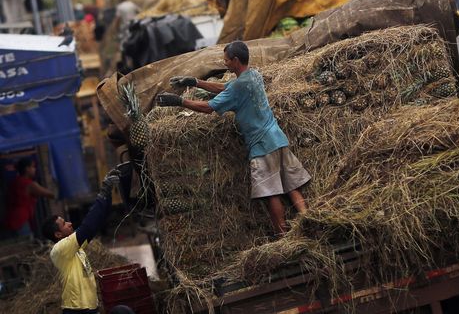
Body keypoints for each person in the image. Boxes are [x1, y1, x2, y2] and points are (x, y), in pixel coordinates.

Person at [157, 41, 310, 236]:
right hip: (278, 138)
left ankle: (284, 235)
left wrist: (179, 101)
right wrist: (195, 82)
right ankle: (307, 219)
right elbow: (225, 87)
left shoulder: (238, 86)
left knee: (272, 193)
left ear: (236, 60)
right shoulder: (253, 75)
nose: (225, 63)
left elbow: (209, 107)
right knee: (291, 185)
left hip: (262, 146)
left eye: (227, 60)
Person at [41, 169, 120, 314]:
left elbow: (96, 223)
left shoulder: (75, 248)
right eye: (65, 224)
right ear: (58, 234)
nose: (70, 223)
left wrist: (107, 195)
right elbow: (87, 227)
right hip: (76, 310)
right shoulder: (59, 249)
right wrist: (102, 194)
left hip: (89, 308)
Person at [5, 158, 55, 237]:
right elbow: (51, 195)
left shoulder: (15, 182)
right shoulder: (29, 184)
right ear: (27, 169)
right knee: (26, 243)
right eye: (33, 167)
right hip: (21, 220)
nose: (34, 169)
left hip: (11, 219)